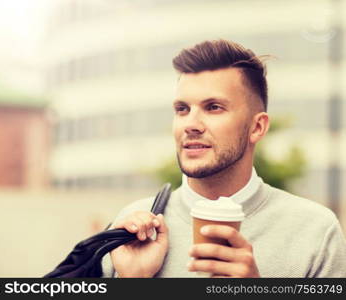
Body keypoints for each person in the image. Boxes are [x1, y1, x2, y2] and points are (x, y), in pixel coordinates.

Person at [101, 39, 346, 277]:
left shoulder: (315, 231)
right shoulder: (130, 230)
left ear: (257, 127)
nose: (191, 125)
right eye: (182, 109)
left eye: (213, 107)